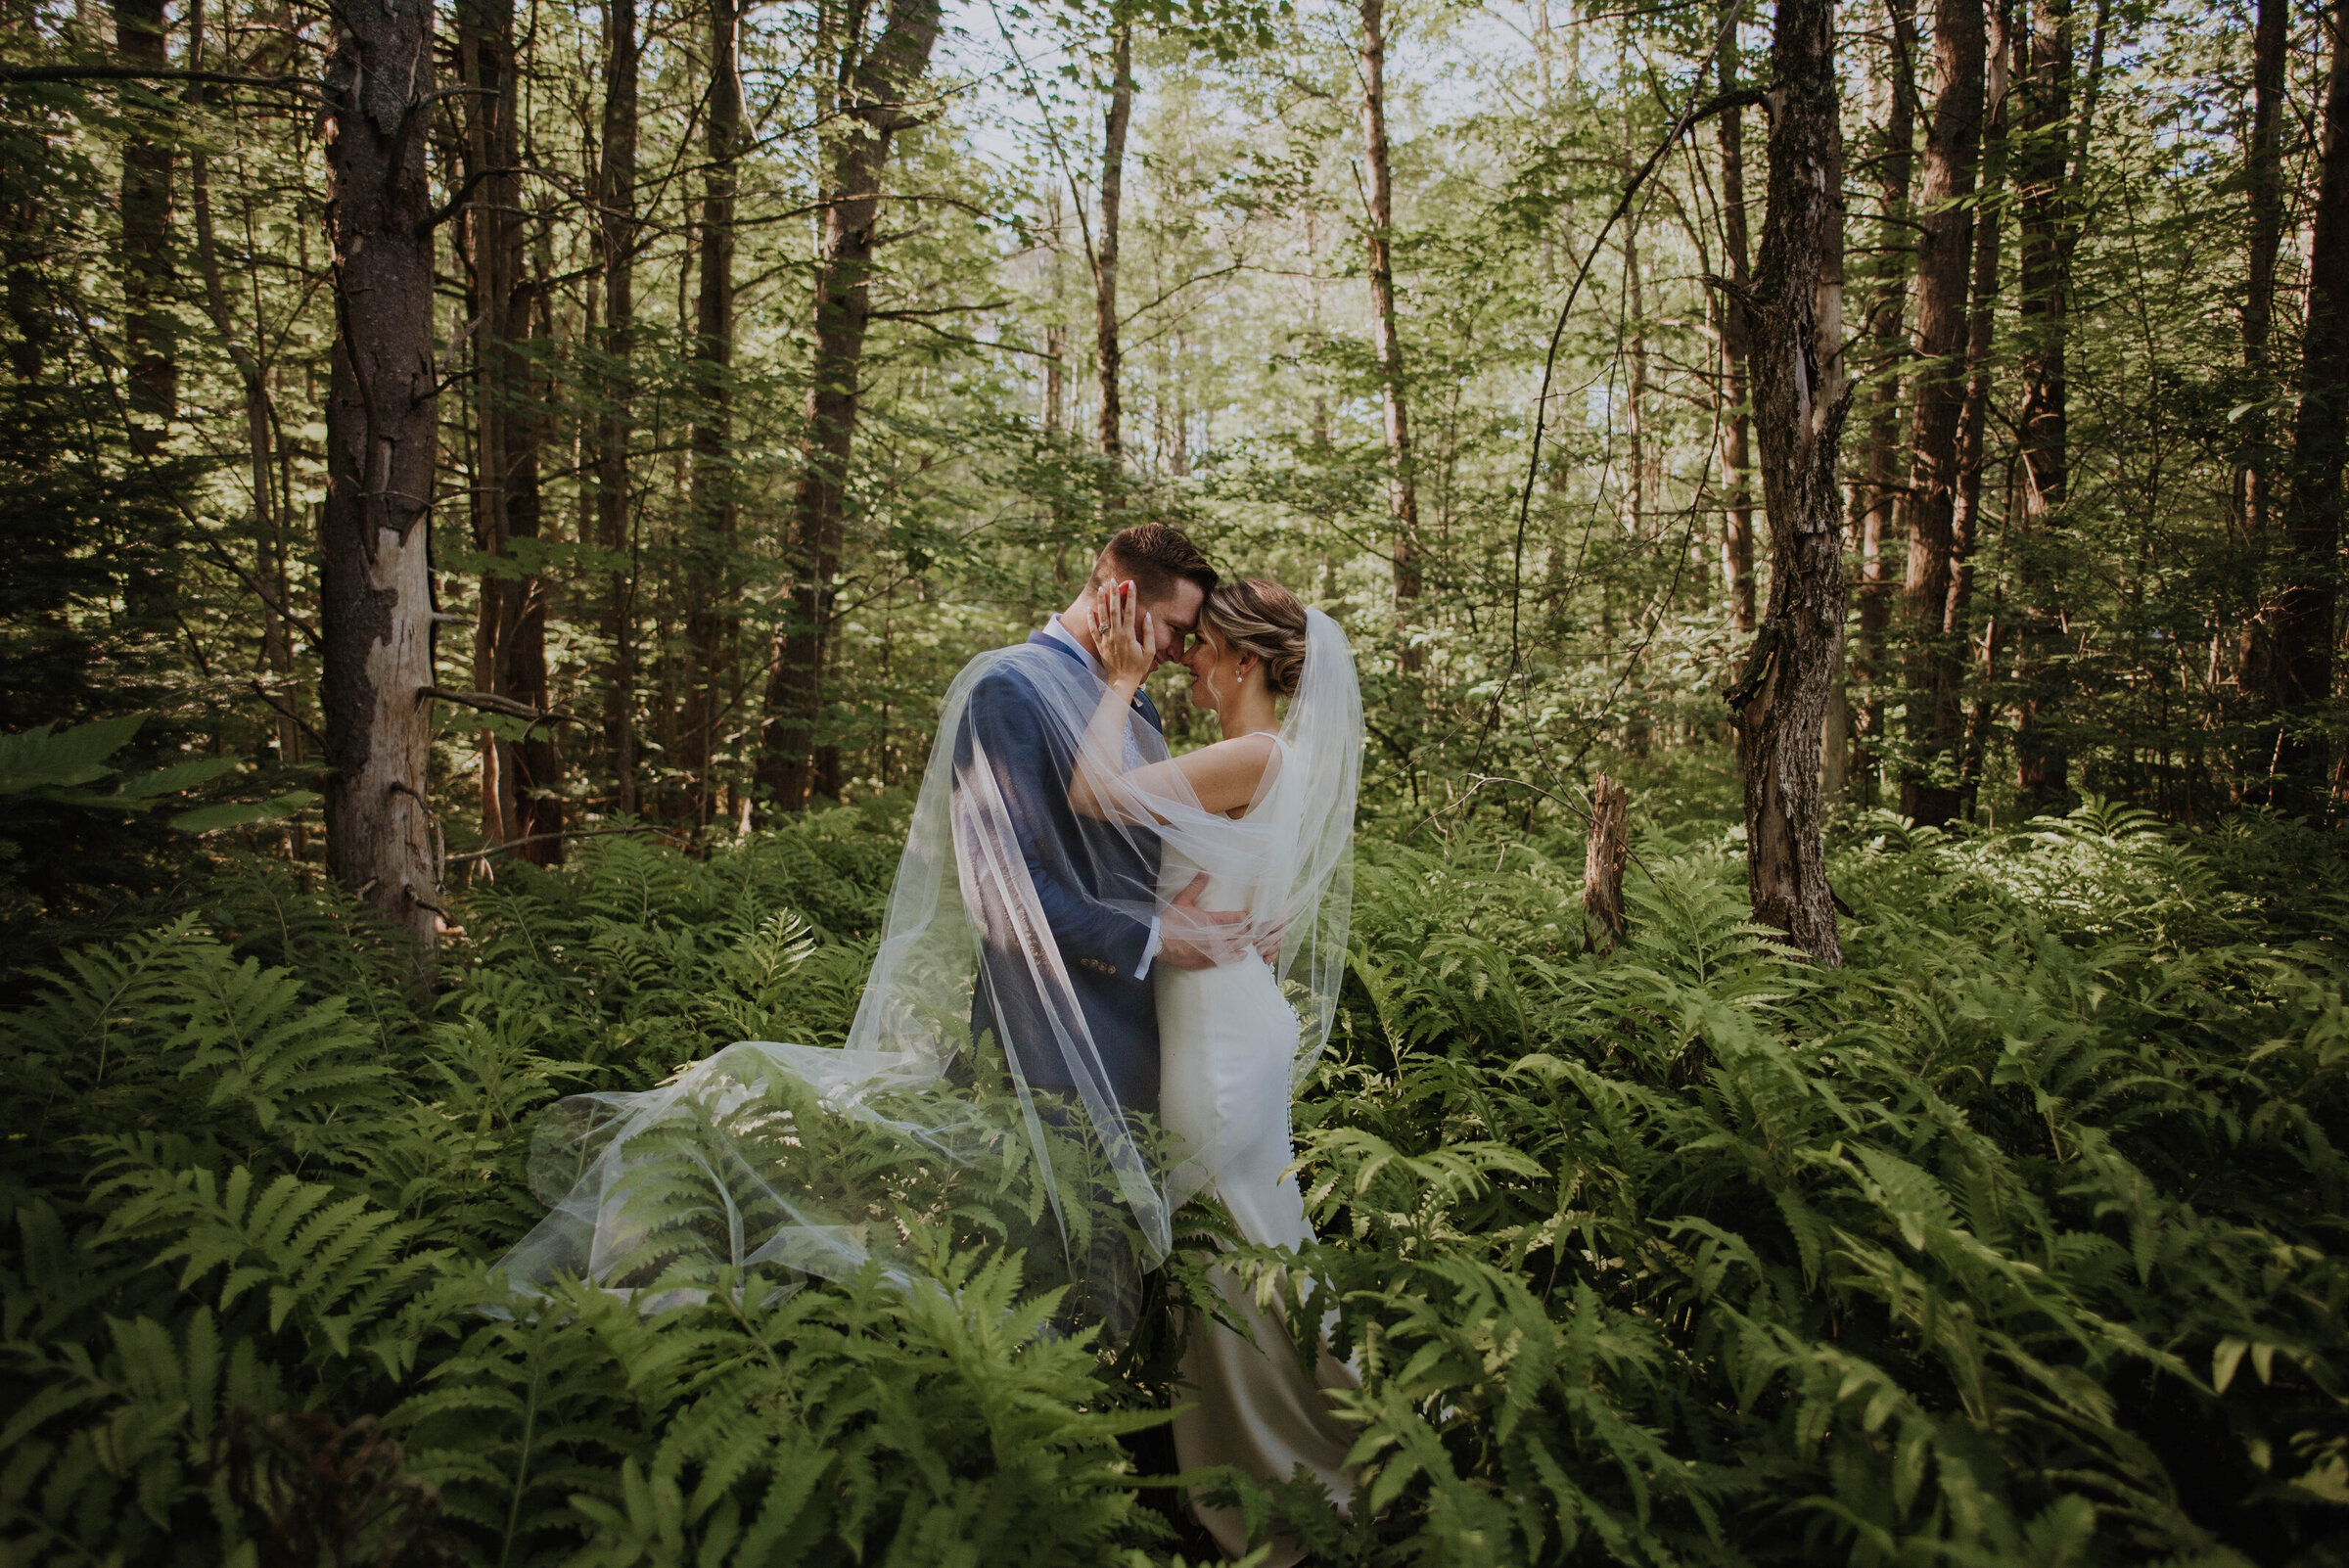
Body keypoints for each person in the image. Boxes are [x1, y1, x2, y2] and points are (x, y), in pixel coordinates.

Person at [1072, 576, 1363, 1566]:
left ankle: (1298, 1477)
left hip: (1220, 1041)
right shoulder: (1269, 758)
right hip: (1226, 1014)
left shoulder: (1253, 750)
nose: (1184, 657)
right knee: (1251, 1238)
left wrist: (1116, 681)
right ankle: (1336, 1442)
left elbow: (1089, 796)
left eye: (1200, 647)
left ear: (1244, 660)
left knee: (1224, 1246)